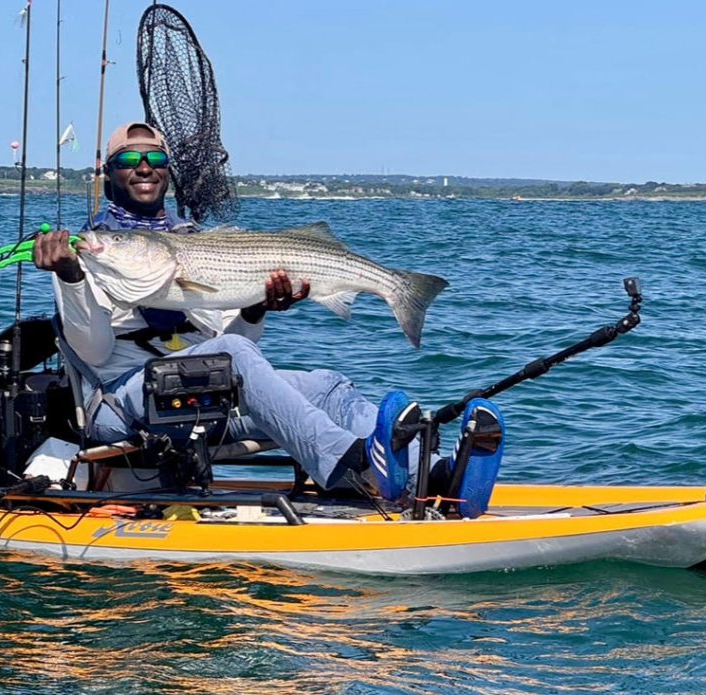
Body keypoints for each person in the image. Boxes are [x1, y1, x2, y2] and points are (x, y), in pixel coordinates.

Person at [34, 122, 433, 501]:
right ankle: (354, 466)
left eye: (156, 161)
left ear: (168, 174)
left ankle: (430, 474)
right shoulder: (84, 254)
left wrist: (257, 307)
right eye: (128, 161)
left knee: (328, 388)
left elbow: (238, 348)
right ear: (108, 172)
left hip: (206, 396)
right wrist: (71, 277)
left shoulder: (193, 243)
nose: (143, 169)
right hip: (121, 404)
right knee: (229, 356)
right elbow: (93, 354)